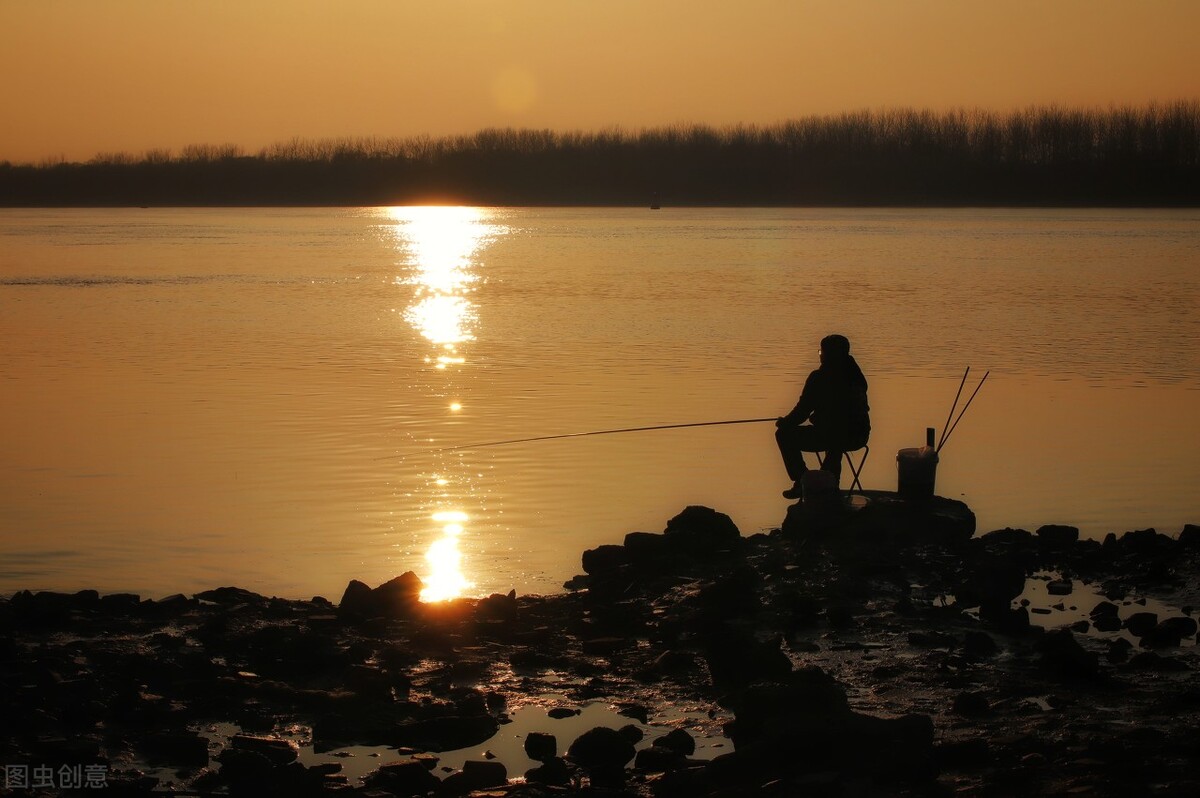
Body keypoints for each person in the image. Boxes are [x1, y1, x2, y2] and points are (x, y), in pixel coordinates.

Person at [775, 334, 870, 499]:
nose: (820, 356)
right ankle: (824, 484)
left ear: (828, 355)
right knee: (836, 440)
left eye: (821, 353)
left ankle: (803, 481)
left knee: (784, 435)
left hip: (831, 436)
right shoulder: (856, 375)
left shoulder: (819, 378)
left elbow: (802, 411)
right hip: (859, 436)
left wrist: (785, 423)